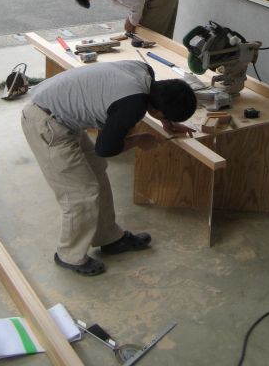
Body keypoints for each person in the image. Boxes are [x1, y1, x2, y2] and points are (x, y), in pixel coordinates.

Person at [21, 60, 196, 276]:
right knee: (81, 194)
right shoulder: (131, 105)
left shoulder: (144, 72)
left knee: (97, 174)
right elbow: (105, 148)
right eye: (166, 117)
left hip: (61, 112)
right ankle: (69, 255)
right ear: (159, 111)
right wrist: (140, 140)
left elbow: (117, 112)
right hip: (45, 122)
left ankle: (109, 237)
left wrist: (166, 122)